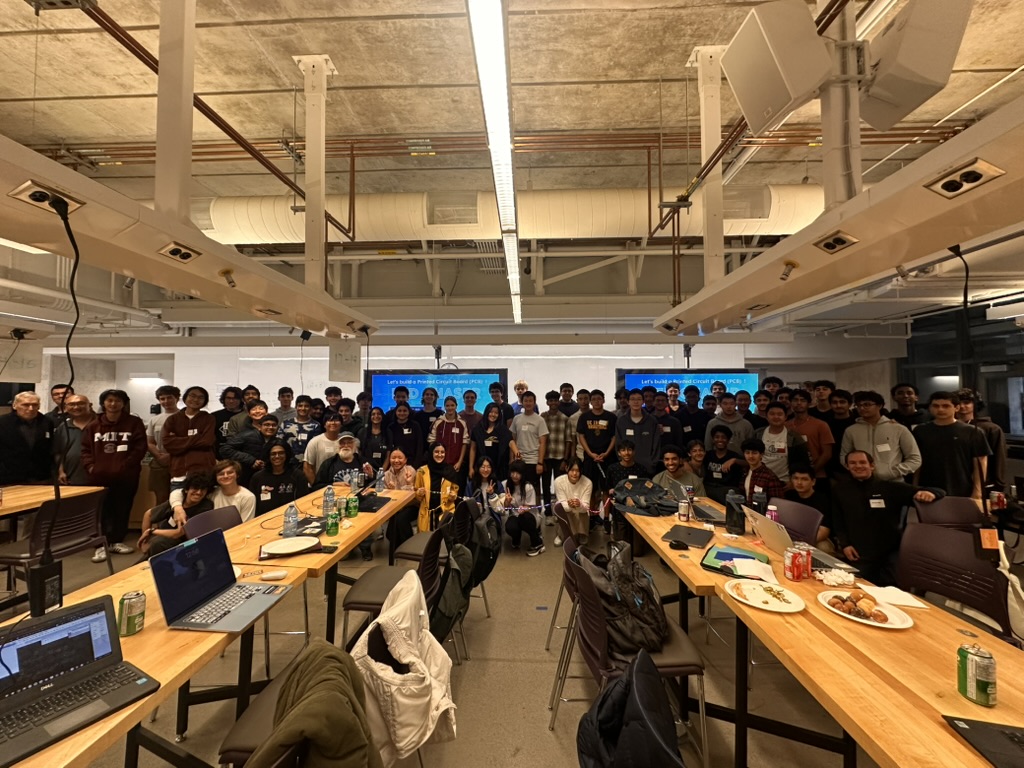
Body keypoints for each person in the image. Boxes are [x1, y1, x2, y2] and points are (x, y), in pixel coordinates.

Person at [833, 450, 942, 585]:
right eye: (853, 463)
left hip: (889, 553)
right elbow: (838, 520)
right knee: (855, 588)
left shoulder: (889, 488)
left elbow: (937, 491)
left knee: (893, 589)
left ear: (872, 465)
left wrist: (931, 493)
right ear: (847, 467)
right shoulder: (840, 490)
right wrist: (845, 545)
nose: (858, 466)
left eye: (862, 462)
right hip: (859, 553)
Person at [82, 389, 147, 561]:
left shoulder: (134, 423)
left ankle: (116, 541)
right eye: (109, 400)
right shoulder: (93, 425)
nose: (113, 404)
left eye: (117, 401)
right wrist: (91, 467)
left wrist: (125, 467)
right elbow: (85, 449)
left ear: (124, 403)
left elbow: (140, 447)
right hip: (98, 478)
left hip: (126, 477)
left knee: (122, 509)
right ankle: (100, 545)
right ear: (103, 403)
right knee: (100, 511)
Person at [914, 391, 990, 499]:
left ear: (956, 408)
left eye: (946, 406)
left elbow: (980, 462)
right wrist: (915, 487)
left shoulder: (973, 432)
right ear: (930, 408)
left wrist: (978, 490)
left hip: (961, 489)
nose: (940, 409)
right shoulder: (920, 431)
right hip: (927, 489)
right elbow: (916, 461)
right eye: (936, 406)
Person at [839, 390, 921, 482]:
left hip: (893, 482)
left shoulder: (898, 428)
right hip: (861, 482)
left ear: (880, 406)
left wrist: (894, 472)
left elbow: (915, 459)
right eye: (858, 405)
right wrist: (856, 470)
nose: (862, 408)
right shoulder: (851, 430)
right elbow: (844, 456)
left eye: (867, 404)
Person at [138, 471, 215, 559]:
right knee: (137, 565)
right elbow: (148, 515)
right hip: (160, 538)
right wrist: (145, 541)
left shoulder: (205, 506)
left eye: (203, 489)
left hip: (182, 545)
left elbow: (178, 533)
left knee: (158, 544)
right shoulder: (177, 502)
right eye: (195, 488)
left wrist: (151, 531)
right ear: (186, 489)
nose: (198, 492)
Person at [161, 385, 217, 492]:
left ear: (205, 401)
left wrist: (179, 441)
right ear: (185, 397)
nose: (196, 399)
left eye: (201, 397)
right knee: (177, 500)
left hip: (203, 470)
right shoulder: (173, 419)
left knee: (202, 500)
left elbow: (207, 441)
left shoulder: (209, 418)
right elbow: (168, 443)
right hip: (179, 470)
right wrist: (197, 437)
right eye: (192, 396)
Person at [955, 387, 1006, 494]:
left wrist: (998, 484)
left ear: (975, 404)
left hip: (985, 483)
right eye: (958, 403)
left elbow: (999, 458)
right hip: (956, 482)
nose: (962, 406)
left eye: (967, 402)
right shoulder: (950, 427)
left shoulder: (991, 429)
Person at [0, 391, 53, 485]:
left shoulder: (47, 422)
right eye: (25, 405)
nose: (31, 408)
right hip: (9, 477)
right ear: (15, 406)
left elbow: (50, 447)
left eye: (34, 405)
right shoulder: (3, 423)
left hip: (40, 476)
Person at [576, 389, 616, 509]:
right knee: (590, 489)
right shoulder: (584, 417)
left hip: (607, 457)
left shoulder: (611, 417)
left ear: (603, 400)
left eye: (599, 399)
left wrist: (607, 453)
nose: (597, 401)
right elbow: (581, 436)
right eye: (593, 399)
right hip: (590, 458)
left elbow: (614, 437)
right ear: (590, 401)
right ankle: (592, 515)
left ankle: (606, 517)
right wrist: (590, 453)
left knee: (606, 489)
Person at [786, 389, 834, 489]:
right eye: (795, 400)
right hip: (791, 476)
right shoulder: (785, 426)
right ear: (790, 403)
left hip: (817, 475)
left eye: (803, 400)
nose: (799, 403)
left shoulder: (821, 425)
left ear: (809, 403)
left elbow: (827, 453)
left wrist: (810, 472)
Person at [605, 440, 653, 539]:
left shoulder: (641, 469)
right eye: (623, 450)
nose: (626, 453)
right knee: (621, 542)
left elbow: (647, 489)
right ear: (619, 453)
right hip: (619, 512)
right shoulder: (612, 469)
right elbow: (607, 489)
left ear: (634, 452)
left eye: (629, 450)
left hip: (638, 512)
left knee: (637, 547)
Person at [249, 438, 308, 517]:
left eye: (281, 453)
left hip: (291, 518)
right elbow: (254, 507)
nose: (277, 456)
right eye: (273, 454)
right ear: (268, 456)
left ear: (286, 454)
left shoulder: (298, 476)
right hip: (265, 519)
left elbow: (304, 502)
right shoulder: (257, 478)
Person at [782, 465, 834, 552]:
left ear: (813, 482)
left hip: (815, 538)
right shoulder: (789, 496)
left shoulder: (823, 500)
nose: (799, 482)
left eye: (804, 479)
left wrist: (802, 543)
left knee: (824, 547)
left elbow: (824, 531)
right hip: (792, 535)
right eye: (796, 478)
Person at [755, 403, 808, 483]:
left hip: (784, 481)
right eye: (772, 414)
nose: (776, 417)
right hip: (761, 479)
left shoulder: (794, 437)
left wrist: (792, 482)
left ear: (785, 417)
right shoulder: (758, 434)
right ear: (766, 416)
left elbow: (803, 462)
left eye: (780, 414)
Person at [222, 409, 278, 486]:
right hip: (245, 476)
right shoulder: (246, 435)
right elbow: (225, 449)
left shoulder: (278, 441)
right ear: (259, 426)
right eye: (267, 425)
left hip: (267, 477)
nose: (270, 427)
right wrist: (251, 460)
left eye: (274, 425)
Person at [510, 391, 548, 501]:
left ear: (534, 402)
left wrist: (540, 462)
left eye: (530, 401)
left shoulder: (540, 420)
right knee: (519, 488)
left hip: (533, 460)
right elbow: (512, 440)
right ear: (522, 402)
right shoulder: (517, 419)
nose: (528, 403)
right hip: (519, 460)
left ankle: (536, 510)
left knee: (533, 489)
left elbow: (543, 443)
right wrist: (511, 459)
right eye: (525, 401)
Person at [540, 391, 571, 522]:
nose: (553, 403)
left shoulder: (565, 418)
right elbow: (539, 439)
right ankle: (548, 513)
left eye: (555, 400)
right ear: (547, 402)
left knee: (560, 487)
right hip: (546, 457)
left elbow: (568, 440)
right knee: (546, 486)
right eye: (550, 400)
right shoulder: (542, 417)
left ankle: (559, 512)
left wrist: (565, 460)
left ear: (558, 402)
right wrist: (541, 460)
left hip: (560, 458)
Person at [414, 444, 459, 533]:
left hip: (445, 513)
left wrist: (453, 495)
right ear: (431, 453)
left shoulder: (450, 470)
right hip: (426, 514)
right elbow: (417, 495)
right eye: (436, 452)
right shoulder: (421, 471)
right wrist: (419, 493)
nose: (440, 455)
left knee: (444, 539)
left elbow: (455, 491)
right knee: (425, 540)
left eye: (442, 452)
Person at [503, 460, 544, 555]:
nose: (515, 475)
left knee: (525, 518)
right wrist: (507, 502)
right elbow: (505, 508)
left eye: (518, 473)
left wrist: (524, 508)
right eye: (513, 472)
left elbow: (530, 506)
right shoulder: (505, 484)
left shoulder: (528, 487)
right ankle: (516, 538)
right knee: (510, 527)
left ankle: (537, 543)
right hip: (515, 515)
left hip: (529, 516)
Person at [382, 446, 419, 549]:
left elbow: (414, 495)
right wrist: (390, 491)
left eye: (400, 458)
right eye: (393, 458)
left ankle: (408, 547)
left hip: (411, 505)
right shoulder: (386, 475)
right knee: (392, 530)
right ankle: (398, 549)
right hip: (395, 507)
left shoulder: (410, 471)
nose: (396, 461)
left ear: (405, 460)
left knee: (400, 519)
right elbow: (384, 497)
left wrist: (408, 484)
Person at [614, 388, 660, 472]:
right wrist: (621, 461)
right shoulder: (621, 421)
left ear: (643, 402)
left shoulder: (652, 421)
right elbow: (618, 442)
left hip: (647, 466)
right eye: (633, 399)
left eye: (639, 399)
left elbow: (656, 444)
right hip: (626, 466)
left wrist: (652, 462)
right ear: (628, 402)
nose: (636, 402)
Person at [469, 402, 517, 482]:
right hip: (482, 466)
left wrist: (516, 452)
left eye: (496, 413)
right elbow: (473, 448)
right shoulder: (478, 429)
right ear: (486, 412)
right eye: (491, 412)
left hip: (498, 467)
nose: (493, 415)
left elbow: (510, 441)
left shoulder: (503, 429)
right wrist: (471, 467)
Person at [429, 396, 470, 487]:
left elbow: (465, 443)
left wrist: (460, 462)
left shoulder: (462, 423)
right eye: (447, 406)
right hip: (439, 464)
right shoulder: (438, 422)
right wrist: (434, 461)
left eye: (452, 405)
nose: (450, 408)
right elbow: (432, 442)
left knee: (455, 491)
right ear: (444, 407)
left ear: (456, 406)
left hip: (456, 465)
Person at [54, 393, 94, 485]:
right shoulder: (63, 427)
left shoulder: (100, 424)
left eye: (81, 403)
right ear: (66, 407)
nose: (76, 407)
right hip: (71, 478)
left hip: (97, 477)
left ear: (90, 405)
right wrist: (61, 471)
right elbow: (58, 452)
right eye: (71, 404)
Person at [553, 457, 594, 546]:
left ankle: (581, 533)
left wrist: (579, 504)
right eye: (572, 470)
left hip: (580, 511)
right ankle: (561, 535)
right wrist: (569, 504)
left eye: (577, 471)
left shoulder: (588, 483)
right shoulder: (559, 481)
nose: (575, 473)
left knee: (583, 511)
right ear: (566, 468)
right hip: (567, 509)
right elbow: (561, 503)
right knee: (563, 510)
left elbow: (586, 506)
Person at [703, 425, 745, 503]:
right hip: (709, 488)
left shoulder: (734, 456)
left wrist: (735, 460)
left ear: (728, 440)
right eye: (717, 437)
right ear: (713, 439)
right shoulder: (708, 455)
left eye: (723, 437)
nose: (720, 440)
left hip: (727, 491)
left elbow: (748, 463)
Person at [740, 438, 785, 506]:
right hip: (745, 510)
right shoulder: (744, 472)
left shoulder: (770, 477)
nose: (750, 456)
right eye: (747, 453)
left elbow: (778, 503)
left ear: (761, 454)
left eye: (754, 453)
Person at [279, 394, 323, 462]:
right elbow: (279, 443)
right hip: (287, 462)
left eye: (306, 406)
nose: (303, 408)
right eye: (300, 406)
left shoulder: (316, 425)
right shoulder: (285, 424)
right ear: (296, 407)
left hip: (307, 462)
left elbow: (316, 447)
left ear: (310, 408)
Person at [303, 412, 343, 484]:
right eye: (329, 420)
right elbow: (307, 467)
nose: (333, 423)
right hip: (321, 484)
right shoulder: (315, 442)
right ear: (324, 425)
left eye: (336, 420)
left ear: (341, 424)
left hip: (342, 484)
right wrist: (316, 486)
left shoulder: (345, 442)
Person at [385, 402, 424, 468]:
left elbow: (419, 446)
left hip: (412, 463)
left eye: (405, 411)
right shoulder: (391, 427)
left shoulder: (415, 425)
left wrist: (415, 465)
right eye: (399, 411)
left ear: (409, 412)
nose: (402, 413)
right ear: (395, 412)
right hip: (396, 463)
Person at [357, 406, 390, 473]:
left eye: (379, 414)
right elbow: (359, 452)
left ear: (382, 416)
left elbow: (388, 455)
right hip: (365, 469)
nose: (376, 416)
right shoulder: (362, 432)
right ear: (370, 417)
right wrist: (365, 468)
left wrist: (381, 472)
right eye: (373, 414)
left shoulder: (388, 432)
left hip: (382, 470)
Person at [213, 386, 245, 451]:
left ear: (241, 399)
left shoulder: (246, 416)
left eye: (235, 398)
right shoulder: (214, 416)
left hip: (241, 451)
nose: (231, 401)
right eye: (228, 398)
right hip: (220, 451)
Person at [566, 388, 590, 463]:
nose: (583, 401)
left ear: (590, 399)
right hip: (580, 454)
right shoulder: (573, 418)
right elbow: (573, 440)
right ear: (577, 401)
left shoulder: (596, 415)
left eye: (586, 398)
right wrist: (573, 457)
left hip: (596, 453)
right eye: (580, 399)